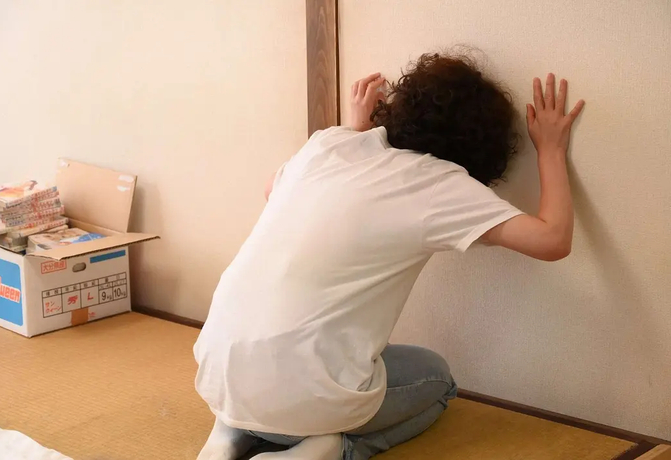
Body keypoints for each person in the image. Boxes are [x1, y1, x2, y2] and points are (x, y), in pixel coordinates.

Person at [193, 52, 585, 460]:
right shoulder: (441, 183)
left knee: (332, 346)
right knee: (438, 380)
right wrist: (550, 150)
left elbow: (271, 191)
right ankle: (331, 449)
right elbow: (552, 240)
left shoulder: (327, 143)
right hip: (304, 396)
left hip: (219, 375)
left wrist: (355, 131)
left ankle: (230, 434)